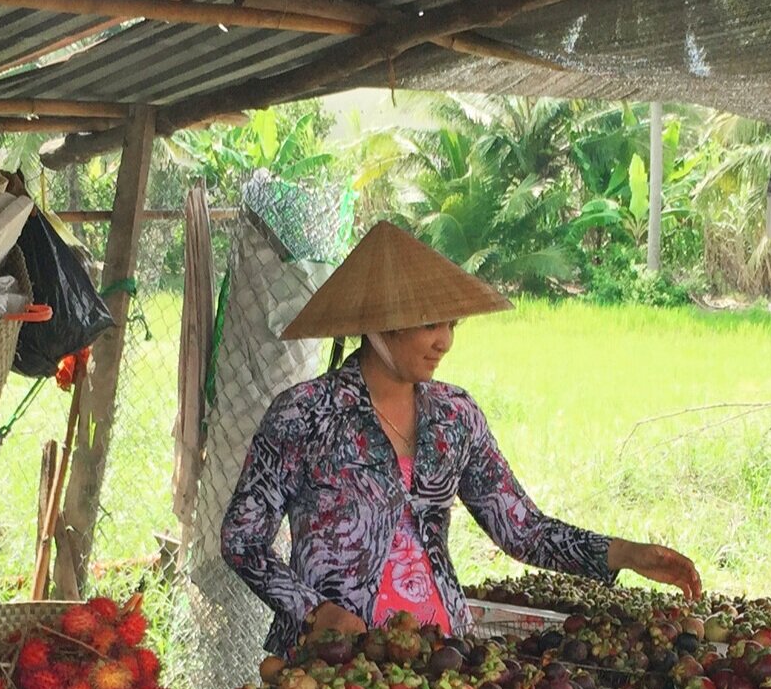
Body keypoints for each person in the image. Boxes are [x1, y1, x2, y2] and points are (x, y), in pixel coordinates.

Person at [222, 221, 701, 654]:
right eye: (430, 323)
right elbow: (243, 539)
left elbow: (522, 528)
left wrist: (625, 554)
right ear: (379, 324)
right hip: (335, 659)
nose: (445, 341)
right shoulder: (304, 414)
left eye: (451, 324)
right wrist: (312, 610)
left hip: (442, 653)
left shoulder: (455, 416)